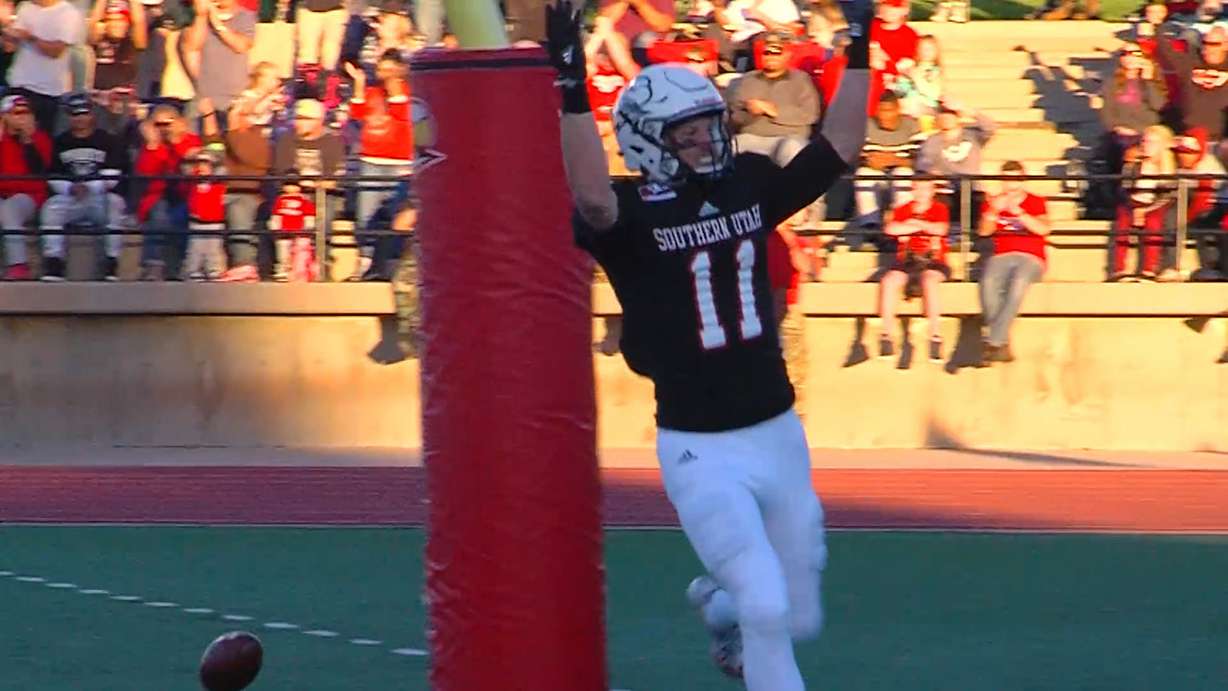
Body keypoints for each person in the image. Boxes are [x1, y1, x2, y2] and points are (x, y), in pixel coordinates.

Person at [547, 0, 870, 688]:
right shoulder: (629, 213)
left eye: (707, 127)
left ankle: (721, 607)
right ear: (646, 140)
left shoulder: (747, 185)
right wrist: (572, 85)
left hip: (778, 429)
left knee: (795, 610)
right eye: (687, 133)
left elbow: (839, 146)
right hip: (701, 446)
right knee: (766, 600)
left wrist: (862, 46)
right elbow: (591, 196)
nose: (705, 142)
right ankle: (742, 611)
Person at [40, 92, 129, 281]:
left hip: (99, 197)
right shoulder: (60, 142)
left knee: (114, 204)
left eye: (84, 113)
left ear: (92, 115)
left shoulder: (107, 140)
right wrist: (69, 189)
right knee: (51, 208)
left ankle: (111, 263)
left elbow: (114, 175)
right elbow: (53, 175)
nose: (80, 118)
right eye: (75, 114)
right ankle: (54, 263)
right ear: (68, 116)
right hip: (70, 198)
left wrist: (90, 187)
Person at [977, 161, 1050, 364]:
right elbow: (984, 231)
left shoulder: (1036, 201)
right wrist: (992, 211)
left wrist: (1019, 213)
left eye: (1016, 180)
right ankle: (1000, 344)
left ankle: (993, 340)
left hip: (1031, 256)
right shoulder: (993, 202)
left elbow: (1044, 229)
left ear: (1023, 179)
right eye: (1007, 180)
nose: (1011, 185)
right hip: (1002, 254)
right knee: (988, 283)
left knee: (1018, 284)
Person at [877, 177, 950, 363]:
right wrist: (923, 227)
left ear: (933, 190)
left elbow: (941, 229)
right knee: (889, 281)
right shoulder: (903, 208)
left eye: (926, 189)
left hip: (932, 260)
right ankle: (886, 335)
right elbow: (891, 229)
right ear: (913, 190)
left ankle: (935, 336)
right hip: (907, 260)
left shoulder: (939, 208)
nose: (922, 193)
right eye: (918, 188)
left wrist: (914, 225)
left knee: (930, 281)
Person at [3, 0, 85, 133]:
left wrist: (30, 37)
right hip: (18, 85)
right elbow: (11, 47)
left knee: (39, 140)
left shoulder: (68, 14)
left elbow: (55, 52)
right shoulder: (25, 7)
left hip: (47, 92)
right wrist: (8, 35)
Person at [1111, 124, 1176, 281]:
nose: (1146, 146)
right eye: (1144, 141)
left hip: (1155, 205)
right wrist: (1133, 206)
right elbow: (1123, 190)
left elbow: (1166, 197)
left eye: (1152, 142)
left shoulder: (1167, 169)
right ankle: (1119, 269)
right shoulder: (1132, 165)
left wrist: (1145, 210)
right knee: (1123, 221)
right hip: (1133, 202)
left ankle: (1149, 269)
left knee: (1154, 223)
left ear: (1162, 146)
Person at [0, 94, 52, 280]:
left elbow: (39, 170)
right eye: (16, 113)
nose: (22, 117)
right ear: (4, 116)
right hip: (3, 194)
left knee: (8, 209)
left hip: (29, 196)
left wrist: (27, 141)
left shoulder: (39, 138)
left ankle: (19, 265)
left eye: (26, 112)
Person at [854, 90, 921, 231]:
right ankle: (870, 226)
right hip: (877, 175)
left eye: (888, 110)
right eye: (880, 110)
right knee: (863, 174)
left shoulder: (912, 125)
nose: (883, 115)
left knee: (903, 173)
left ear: (897, 110)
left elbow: (916, 160)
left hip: (901, 175)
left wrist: (886, 158)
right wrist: (897, 158)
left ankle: (902, 223)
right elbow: (868, 160)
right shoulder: (865, 125)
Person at [182, 147, 227, 280]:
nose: (202, 167)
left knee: (213, 248)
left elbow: (223, 171)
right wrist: (192, 154)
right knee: (195, 248)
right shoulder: (193, 180)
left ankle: (213, 269)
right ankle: (193, 270)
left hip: (214, 221)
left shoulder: (218, 183)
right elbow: (185, 168)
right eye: (199, 164)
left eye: (206, 164)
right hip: (196, 221)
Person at [268, 172, 317, 281]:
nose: (291, 187)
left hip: (299, 232)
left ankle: (299, 271)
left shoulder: (304, 200)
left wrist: (308, 226)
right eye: (288, 184)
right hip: (283, 232)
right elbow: (276, 214)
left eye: (294, 184)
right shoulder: (280, 200)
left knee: (300, 252)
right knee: (282, 252)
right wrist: (275, 225)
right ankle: (282, 270)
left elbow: (309, 214)